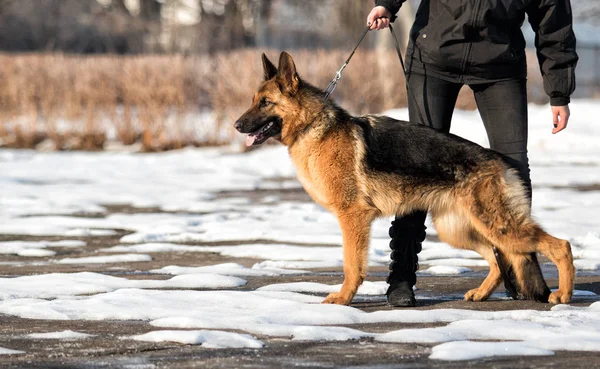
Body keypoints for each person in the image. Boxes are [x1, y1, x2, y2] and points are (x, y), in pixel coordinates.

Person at [366, 0, 578, 307]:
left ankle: (519, 273)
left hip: (499, 62)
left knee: (513, 167)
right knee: (415, 169)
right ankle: (402, 276)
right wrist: (387, 4)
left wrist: (559, 91)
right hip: (434, 55)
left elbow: (553, 18)